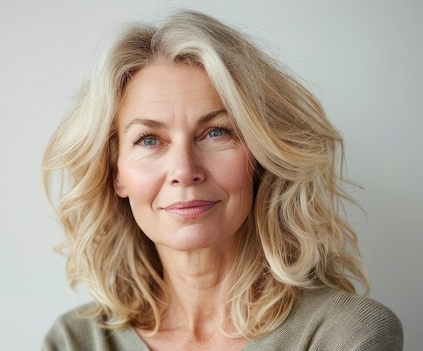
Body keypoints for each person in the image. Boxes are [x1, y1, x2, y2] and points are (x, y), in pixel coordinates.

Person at [40, 10, 403, 351]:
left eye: (216, 132)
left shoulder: (344, 334)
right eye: (149, 139)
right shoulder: (76, 340)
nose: (184, 170)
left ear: (261, 156)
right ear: (116, 172)